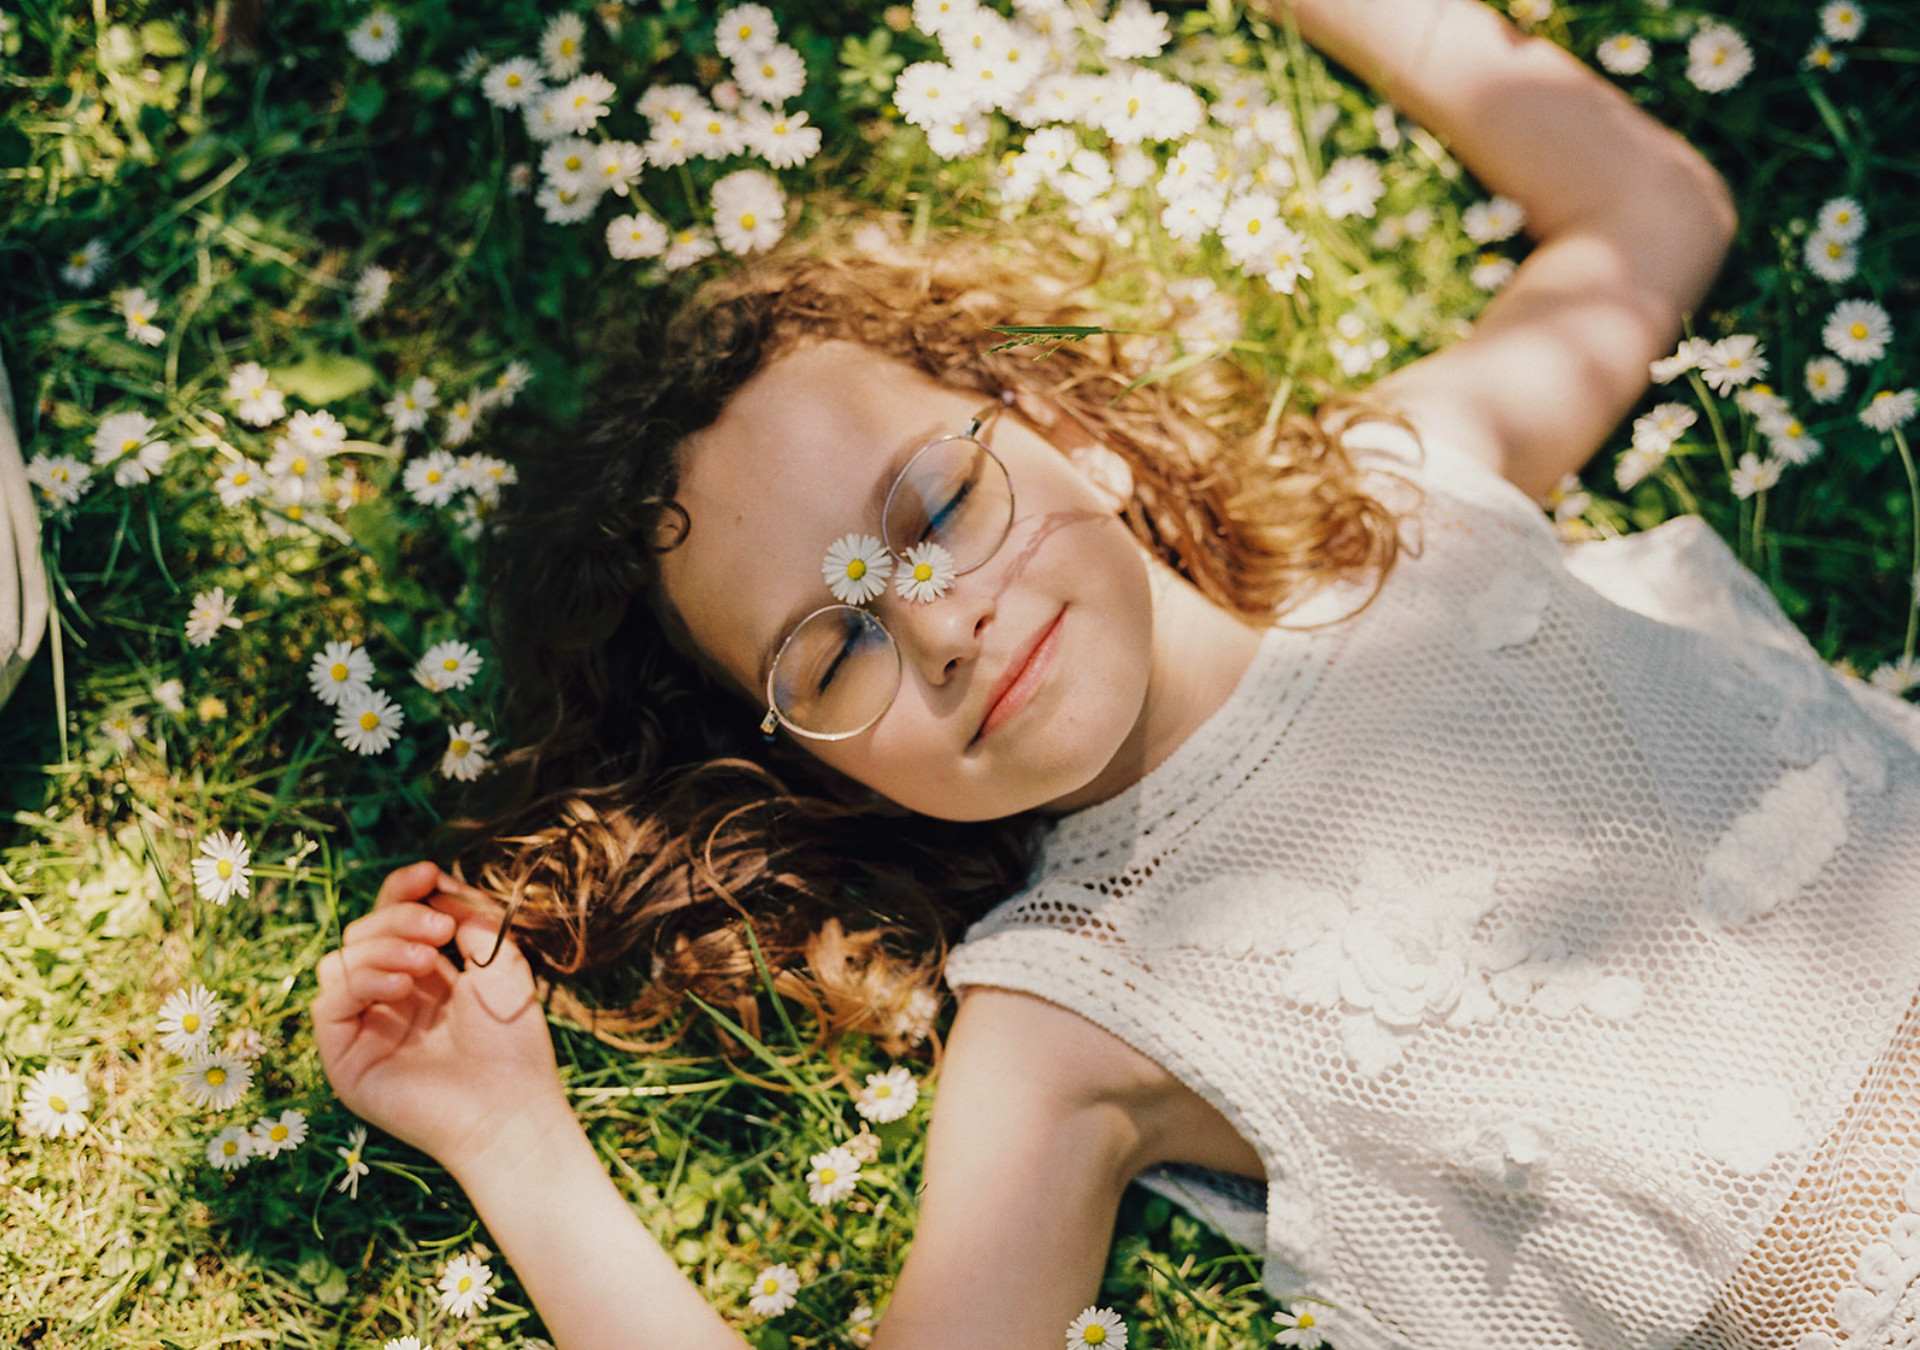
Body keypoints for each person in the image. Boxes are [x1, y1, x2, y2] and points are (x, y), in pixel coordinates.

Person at [311, 0, 1920, 1346]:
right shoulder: (1066, 1016)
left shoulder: (1403, 490)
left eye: (938, 507)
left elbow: (1653, 217)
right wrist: (514, 1142)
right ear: (811, 759)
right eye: (836, 643)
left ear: (1066, 429)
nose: (939, 624)